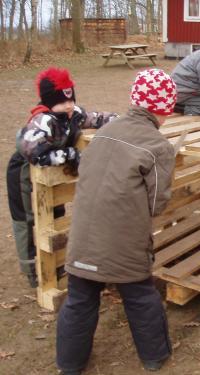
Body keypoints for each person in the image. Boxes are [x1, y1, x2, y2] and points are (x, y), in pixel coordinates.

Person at [55, 69, 177, 374]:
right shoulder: (158, 146)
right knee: (140, 296)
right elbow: (156, 203)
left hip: (82, 237)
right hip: (123, 243)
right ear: (164, 109)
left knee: (80, 300)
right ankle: (154, 358)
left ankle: (69, 365)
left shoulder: (101, 135)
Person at [5, 67, 117, 288]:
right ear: (49, 102)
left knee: (56, 215)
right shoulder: (43, 121)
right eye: (61, 101)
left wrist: (119, 121)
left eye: (70, 99)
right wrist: (69, 154)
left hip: (51, 178)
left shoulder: (72, 114)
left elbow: (96, 118)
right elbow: (35, 153)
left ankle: (55, 264)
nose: (67, 105)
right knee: (27, 222)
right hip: (24, 175)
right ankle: (32, 271)